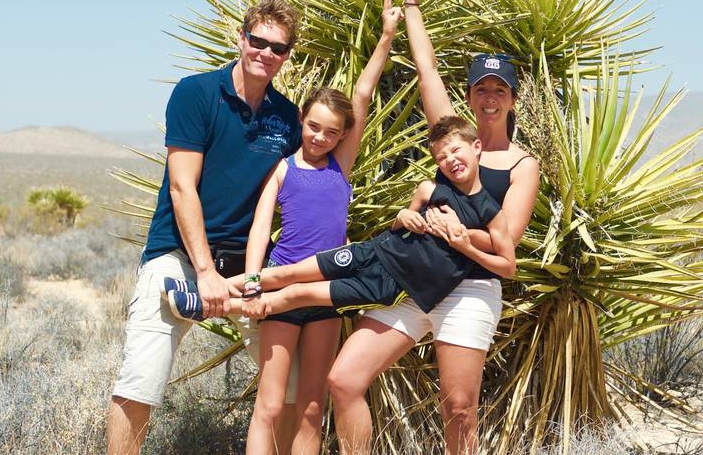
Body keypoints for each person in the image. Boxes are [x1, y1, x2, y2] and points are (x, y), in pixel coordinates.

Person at [322, 0, 541, 455]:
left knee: (459, 407)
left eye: (500, 90)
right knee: (344, 379)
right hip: (414, 277)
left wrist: (455, 232)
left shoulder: (522, 165)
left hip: (470, 287)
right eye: (481, 89)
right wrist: (411, 4)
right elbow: (428, 72)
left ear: (513, 100)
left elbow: (505, 240)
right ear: (469, 98)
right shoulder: (454, 139)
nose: (490, 98)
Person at [105, 0, 302, 455]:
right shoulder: (196, 94)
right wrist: (206, 272)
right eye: (257, 41)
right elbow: (182, 187)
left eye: (278, 48)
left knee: (291, 385)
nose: (265, 53)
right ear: (241, 38)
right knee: (141, 377)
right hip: (179, 254)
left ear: (287, 56)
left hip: (248, 265)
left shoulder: (287, 118)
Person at [236, 0, 399, 455]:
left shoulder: (340, 166)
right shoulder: (284, 168)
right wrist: (253, 280)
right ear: (301, 120)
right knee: (270, 403)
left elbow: (363, 92)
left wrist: (386, 36)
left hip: (328, 295)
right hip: (283, 292)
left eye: (332, 132)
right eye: (313, 126)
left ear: (343, 135)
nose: (321, 137)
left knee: (311, 404)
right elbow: (261, 227)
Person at [165, 116, 516, 324]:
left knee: (298, 293)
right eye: (441, 156)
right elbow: (401, 224)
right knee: (287, 273)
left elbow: (508, 266)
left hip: (388, 285)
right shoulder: (429, 189)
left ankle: (206, 307)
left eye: (455, 151)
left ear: (476, 148)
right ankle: (204, 289)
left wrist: (465, 245)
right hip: (372, 251)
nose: (450, 160)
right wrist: (404, 216)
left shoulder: (491, 212)